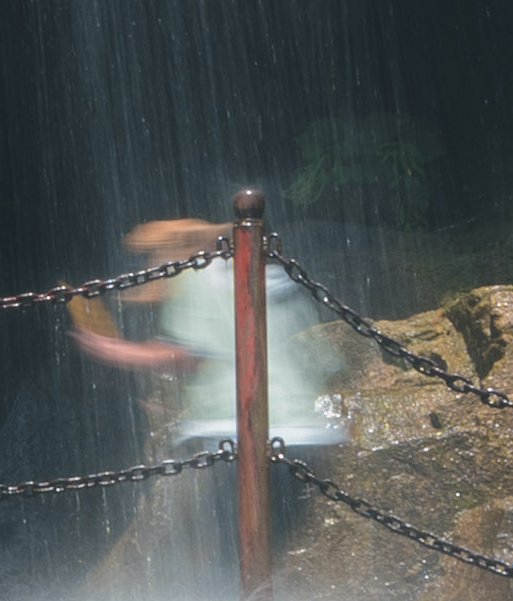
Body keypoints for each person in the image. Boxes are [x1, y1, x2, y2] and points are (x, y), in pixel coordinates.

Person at [69, 213, 347, 574]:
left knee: (234, 553)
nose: (147, 267)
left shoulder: (196, 279)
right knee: (267, 547)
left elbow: (188, 354)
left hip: (242, 433)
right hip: (300, 432)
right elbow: (316, 359)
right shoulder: (258, 273)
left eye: (149, 257)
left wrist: (109, 350)